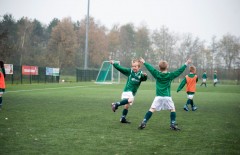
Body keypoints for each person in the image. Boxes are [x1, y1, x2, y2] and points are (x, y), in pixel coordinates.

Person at [138, 57, 191, 131]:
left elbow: (151, 68)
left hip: (158, 97)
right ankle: (172, 124)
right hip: (167, 97)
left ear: (159, 67)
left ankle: (144, 122)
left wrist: (144, 62)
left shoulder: (156, 74)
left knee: (152, 109)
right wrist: (186, 63)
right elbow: (179, 71)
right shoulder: (170, 75)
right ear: (167, 67)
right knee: (172, 109)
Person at [110, 59, 148, 123]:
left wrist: (145, 76)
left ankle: (123, 118)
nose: (134, 68)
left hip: (133, 92)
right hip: (128, 90)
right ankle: (116, 104)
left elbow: (143, 79)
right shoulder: (130, 71)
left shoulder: (140, 74)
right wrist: (114, 63)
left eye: (135, 66)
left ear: (139, 67)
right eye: (133, 66)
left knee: (127, 105)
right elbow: (120, 68)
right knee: (130, 100)